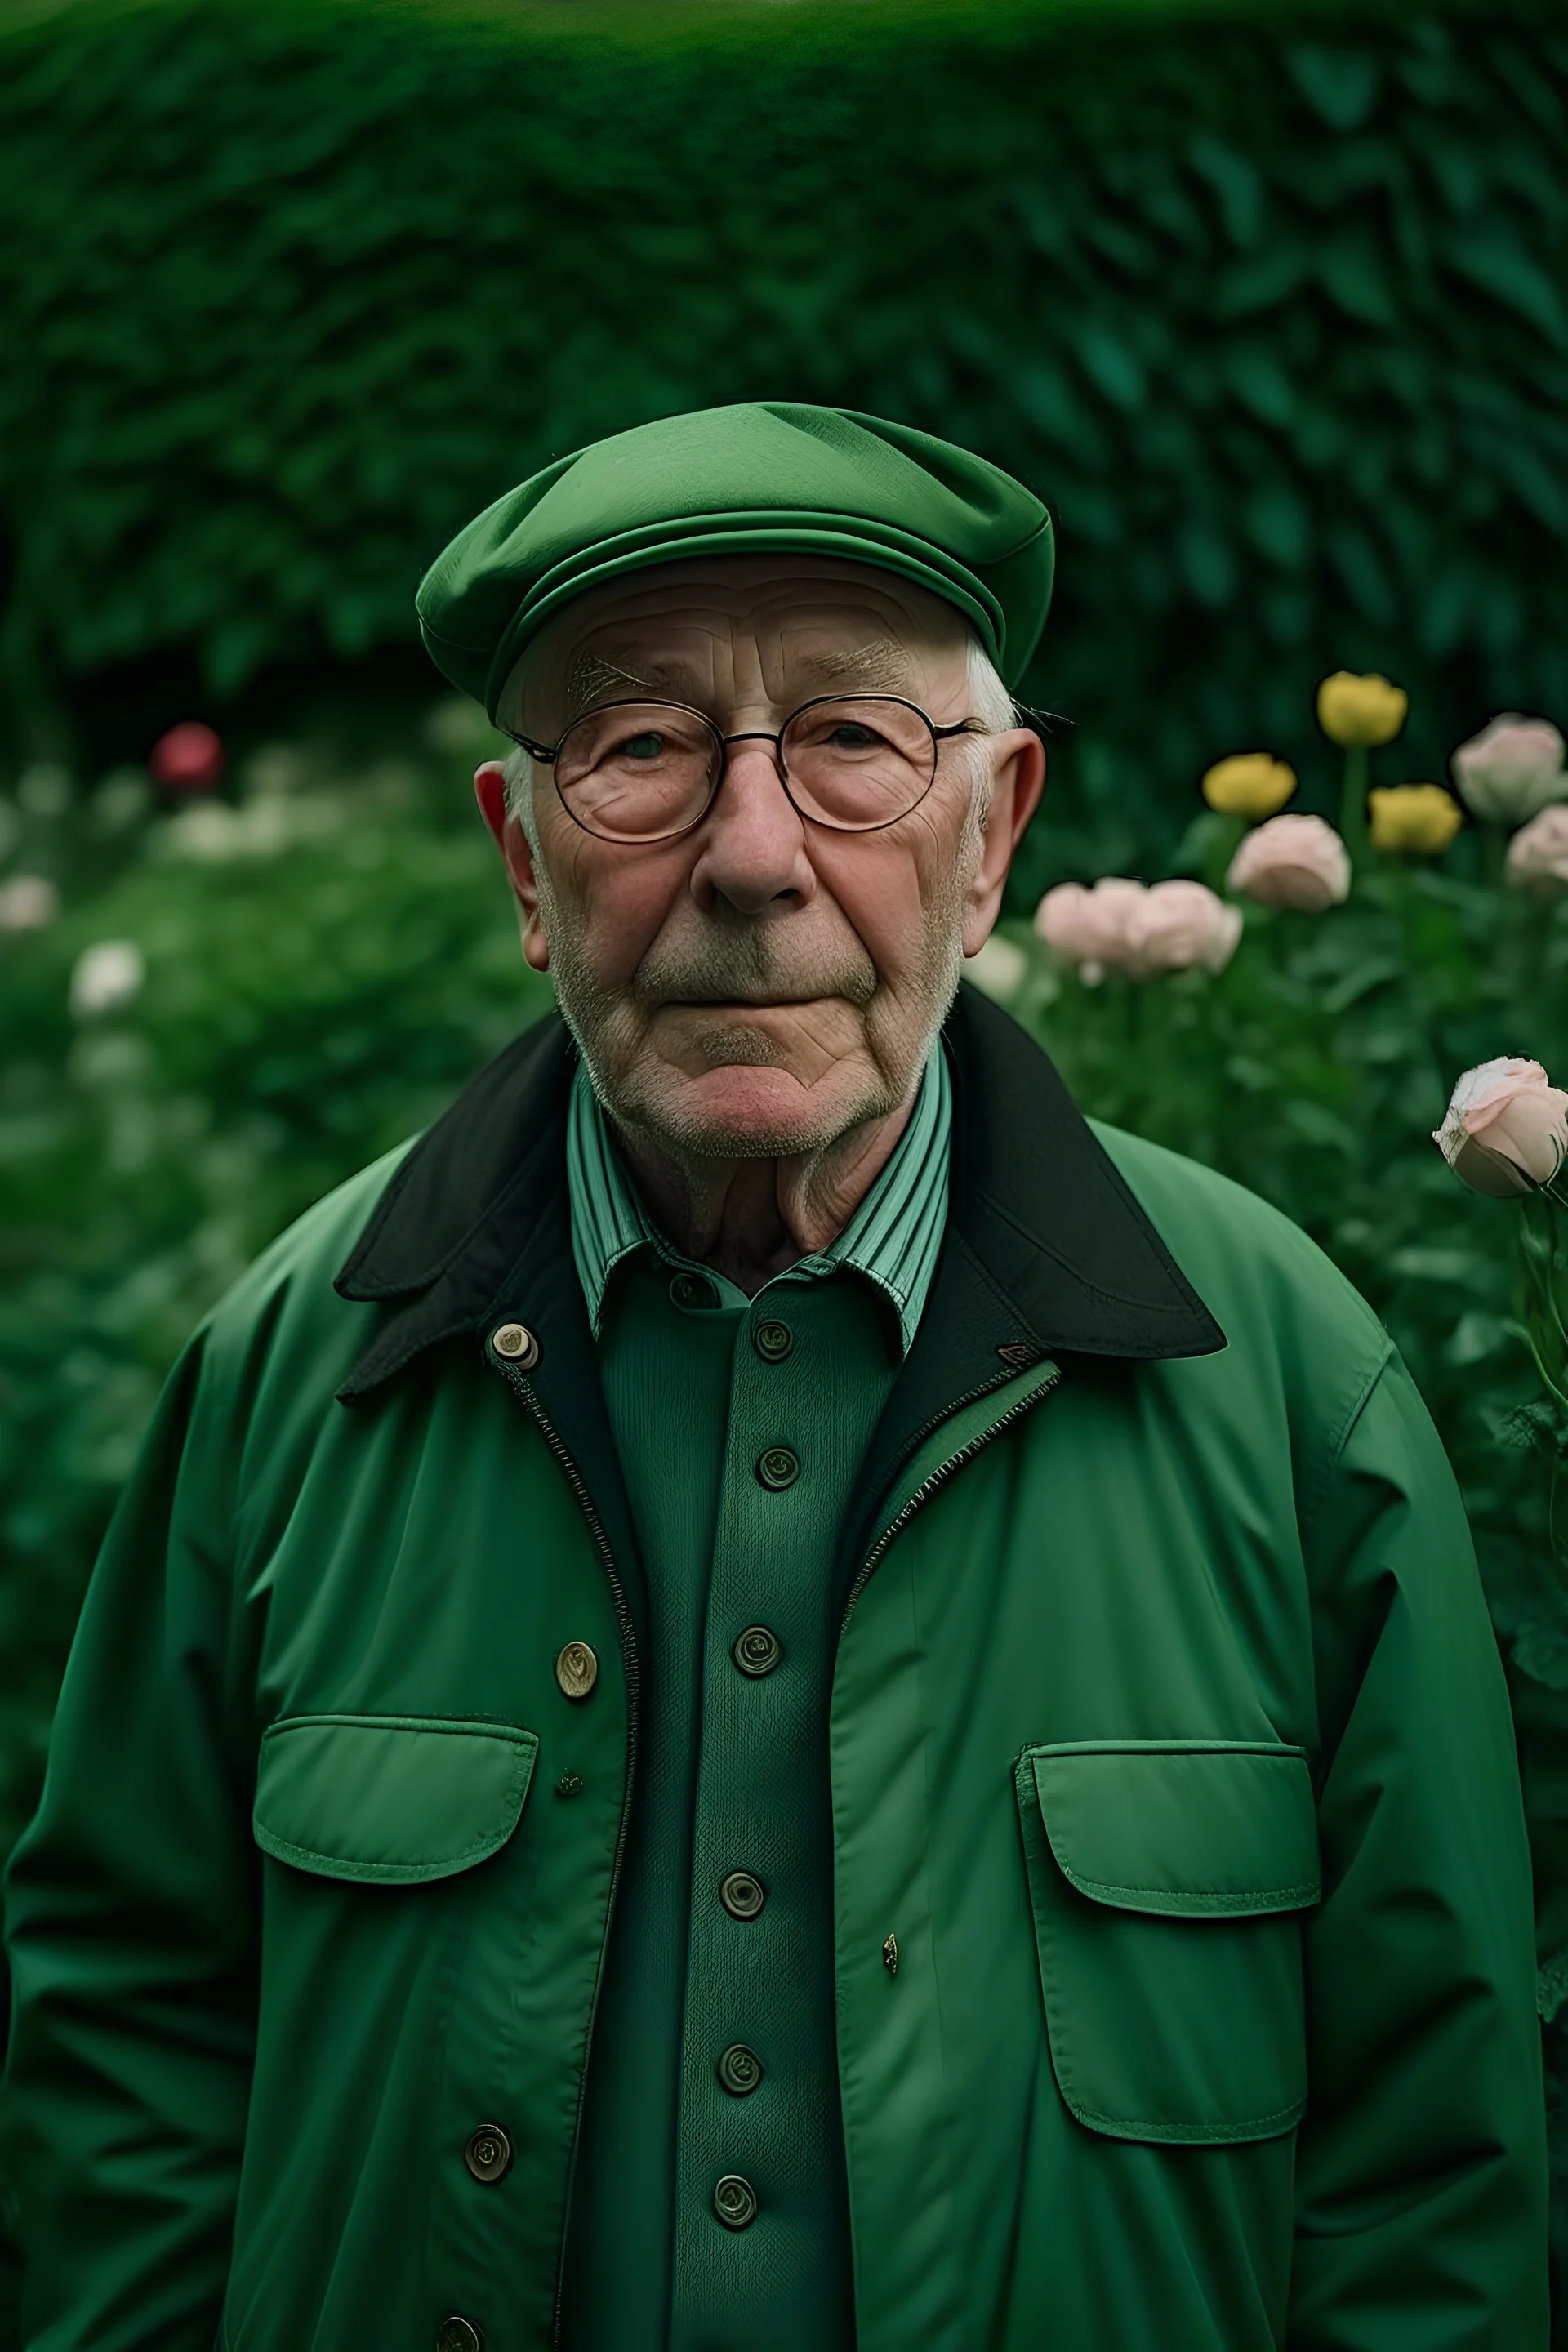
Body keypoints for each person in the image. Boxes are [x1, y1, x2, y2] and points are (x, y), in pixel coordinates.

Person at [3, 403, 1548, 2351]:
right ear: (524, 858)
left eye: (852, 743)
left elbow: (1435, 2198)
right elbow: (126, 2083)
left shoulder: (1294, 1397)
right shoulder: (284, 1387)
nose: (753, 858)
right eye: (642, 747)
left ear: (991, 838)